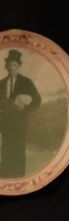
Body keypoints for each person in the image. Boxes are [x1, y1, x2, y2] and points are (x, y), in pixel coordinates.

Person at [0, 48, 41, 178]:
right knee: (6, 149)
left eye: (14, 65)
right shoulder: (1, 83)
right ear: (6, 66)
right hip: (5, 124)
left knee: (18, 150)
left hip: (19, 124)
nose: (11, 68)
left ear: (18, 66)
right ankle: (5, 177)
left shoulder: (26, 82)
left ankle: (18, 179)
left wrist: (24, 108)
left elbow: (37, 100)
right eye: (9, 65)